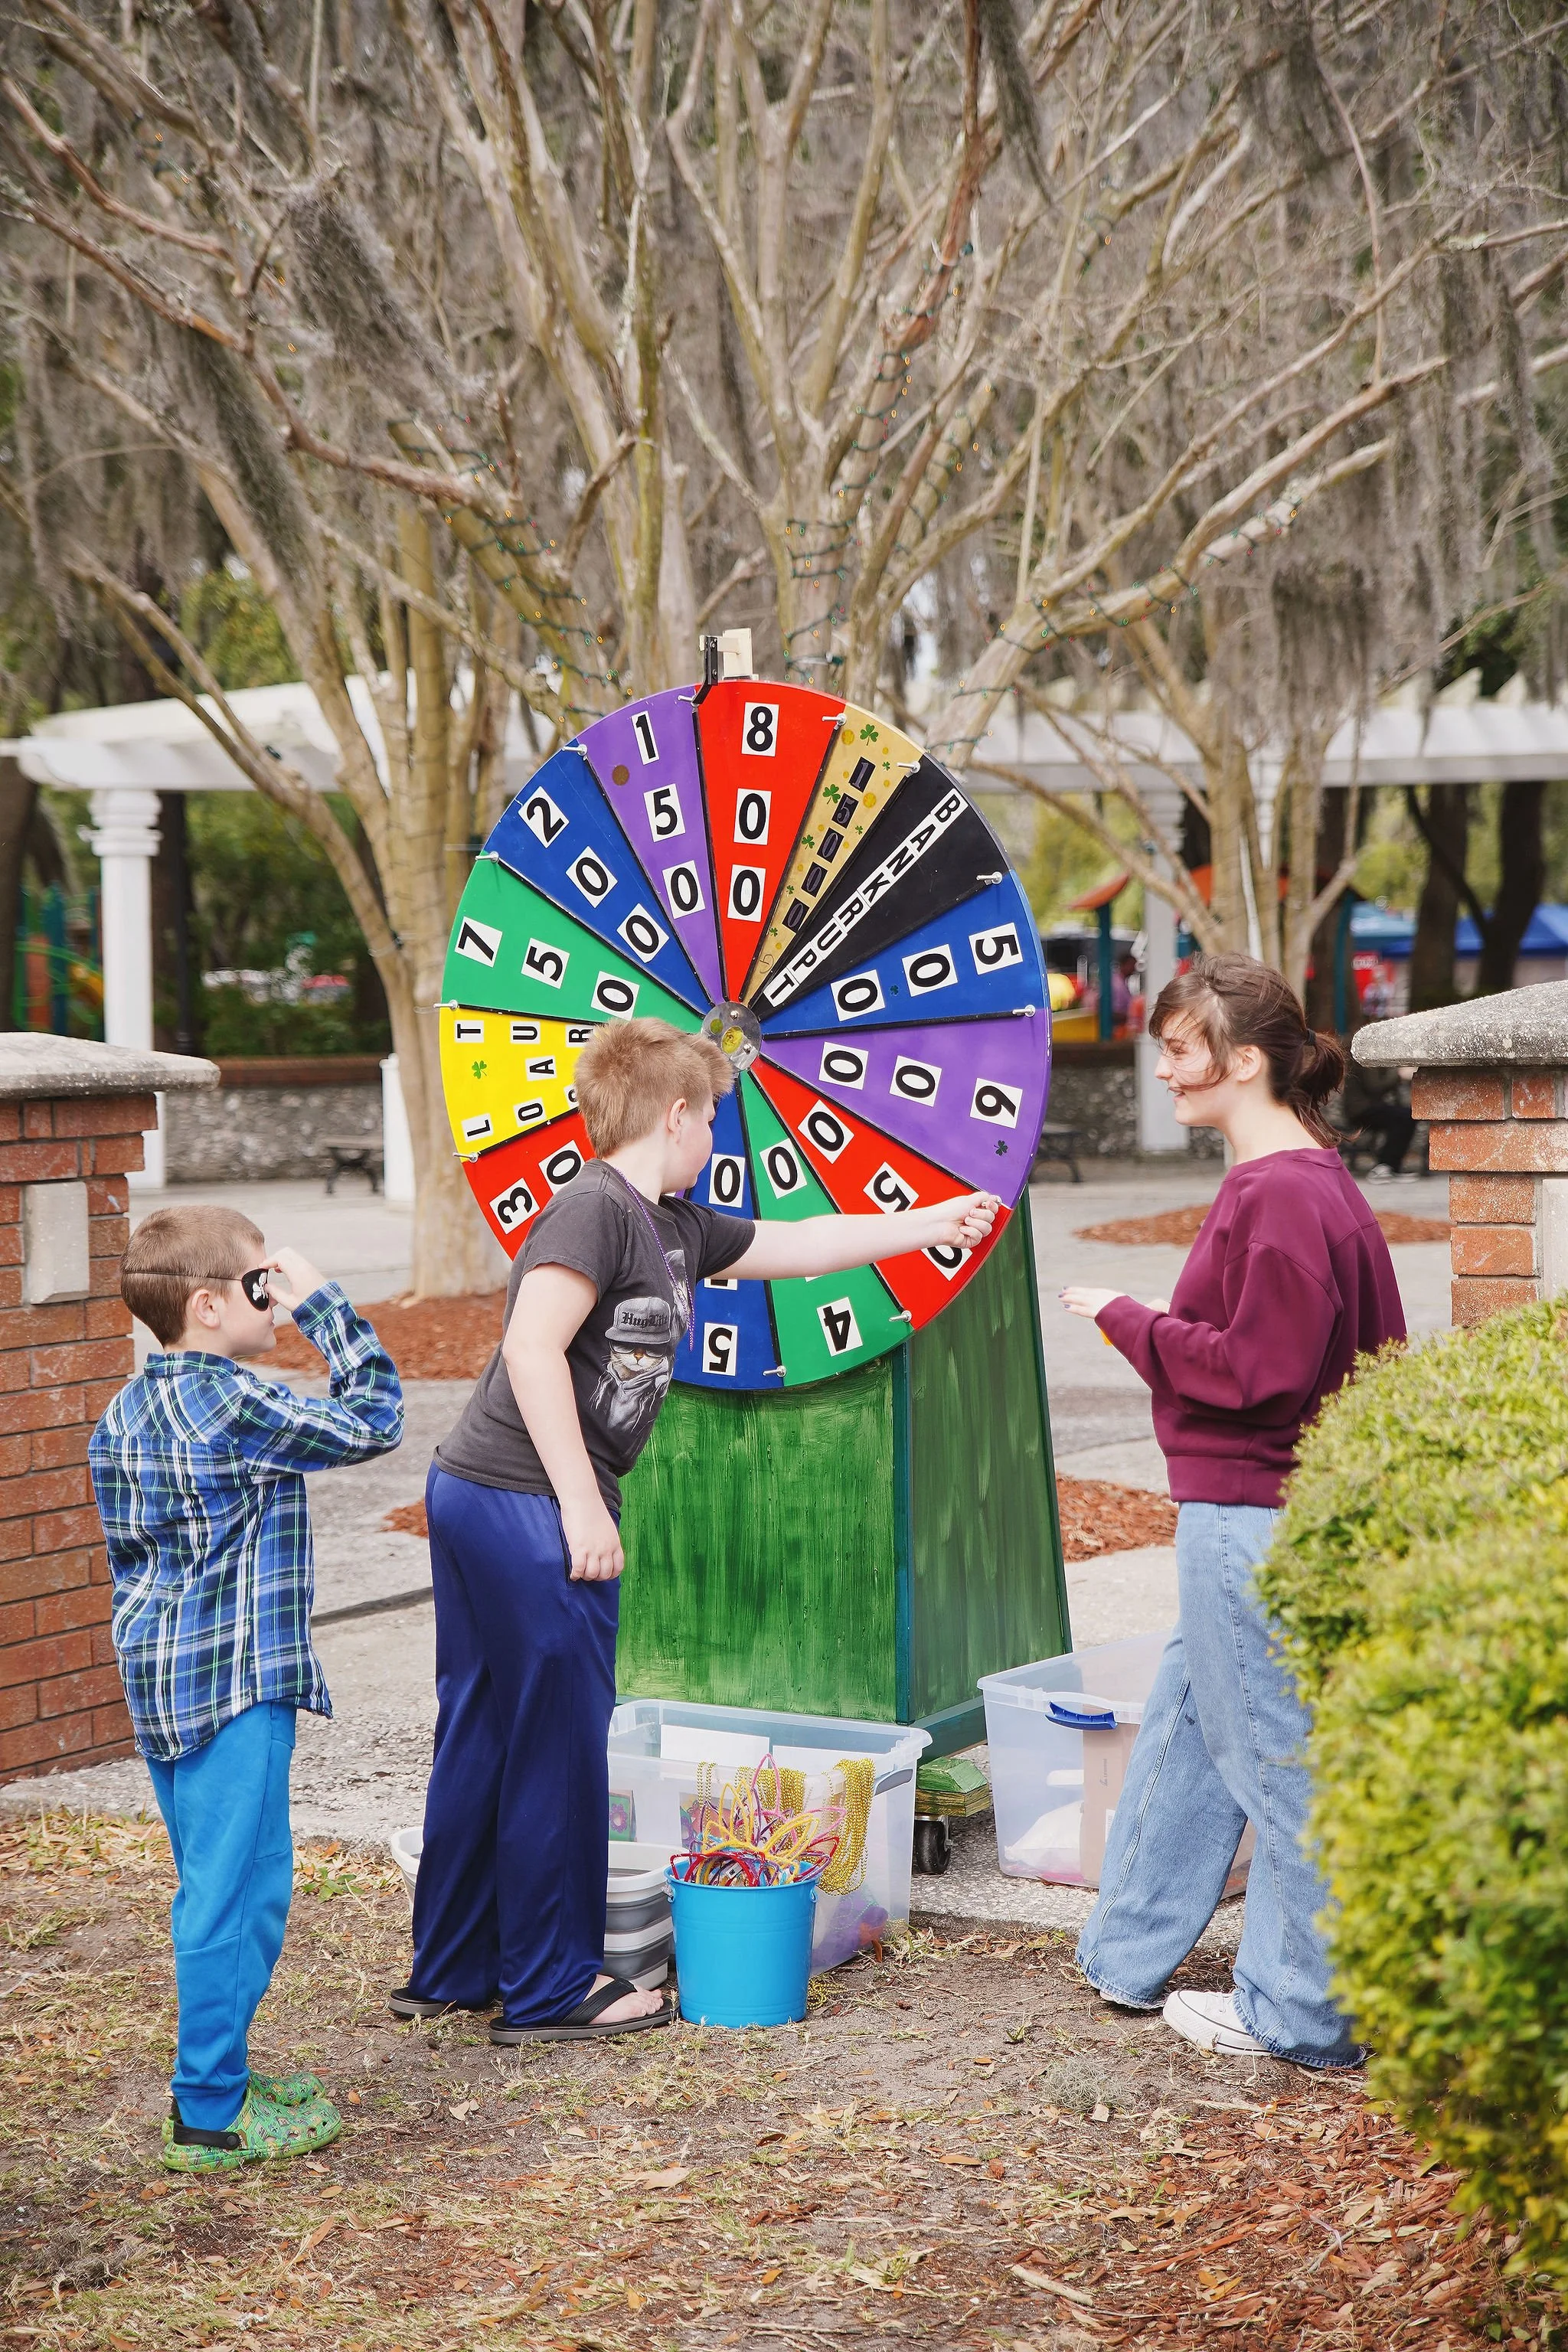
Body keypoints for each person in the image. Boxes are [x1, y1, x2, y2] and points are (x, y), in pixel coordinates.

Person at [400, 1018, 999, 2045]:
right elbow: (534, 1350)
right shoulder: (594, 1210)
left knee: (491, 1729)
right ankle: (548, 1992)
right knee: (553, 1745)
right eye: (714, 1116)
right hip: (523, 1499)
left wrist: (928, 1222)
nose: (718, 1135)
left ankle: (454, 1966)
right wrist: (583, 1505)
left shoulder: (671, 1221)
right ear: (674, 1114)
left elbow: (796, 1245)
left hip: (486, 1494)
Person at [1060, 955, 1405, 2069]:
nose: (1161, 1069)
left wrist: (1128, 1319)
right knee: (1189, 1733)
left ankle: (1298, 2014)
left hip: (1248, 1512)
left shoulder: (1277, 1192)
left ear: (1243, 1062)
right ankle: (1124, 1951)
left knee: (1272, 1760)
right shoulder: (1315, 1182)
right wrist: (1169, 1316)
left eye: (1178, 1048)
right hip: (1272, 1509)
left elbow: (1257, 1374)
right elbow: (1306, 1355)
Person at [90, 1205, 403, 2173]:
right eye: (260, 1282)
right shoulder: (234, 1405)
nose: (274, 1295)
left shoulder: (125, 1407)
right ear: (210, 1304)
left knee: (215, 1885)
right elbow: (378, 1416)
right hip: (234, 1686)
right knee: (238, 1898)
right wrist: (326, 1308)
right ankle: (209, 2111)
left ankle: (219, 2077)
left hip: (159, 1679)